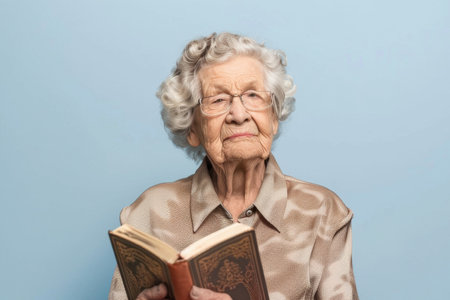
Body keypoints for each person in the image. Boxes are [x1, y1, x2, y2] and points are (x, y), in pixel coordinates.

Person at [108, 32, 358, 300]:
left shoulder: (322, 212)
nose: (239, 115)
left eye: (253, 95)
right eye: (218, 100)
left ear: (273, 117)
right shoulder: (149, 212)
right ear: (192, 128)